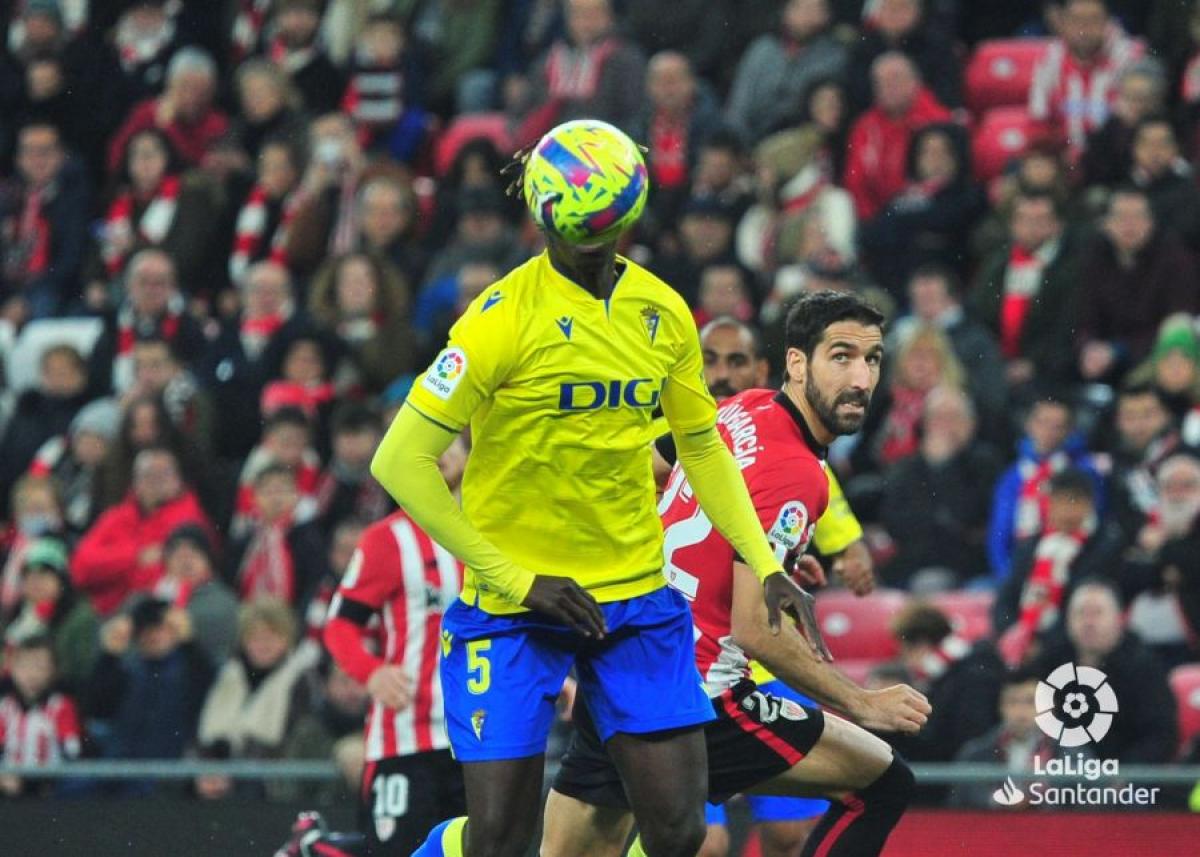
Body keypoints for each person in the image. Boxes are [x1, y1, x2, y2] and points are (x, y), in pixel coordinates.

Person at [379, 120, 814, 857]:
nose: (594, 249)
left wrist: (764, 561)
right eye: (579, 235)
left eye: (608, 232)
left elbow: (701, 443)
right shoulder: (497, 321)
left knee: (680, 832)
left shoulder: (663, 312)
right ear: (544, 221)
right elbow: (399, 461)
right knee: (500, 843)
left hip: (633, 596)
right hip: (513, 605)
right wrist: (516, 578)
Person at [542, 291, 927, 857]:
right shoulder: (798, 472)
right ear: (797, 363)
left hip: (624, 668)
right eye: (841, 357)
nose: (861, 379)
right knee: (884, 782)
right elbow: (755, 629)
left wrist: (768, 559)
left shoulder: (740, 408)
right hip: (701, 699)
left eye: (872, 360)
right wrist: (862, 702)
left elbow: (645, 472)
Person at [657, 315, 875, 857]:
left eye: (735, 361)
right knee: (699, 840)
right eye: (710, 360)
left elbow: (793, 505)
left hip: (737, 658)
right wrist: (861, 702)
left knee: (784, 832)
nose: (721, 373)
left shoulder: (759, 427)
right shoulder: (718, 427)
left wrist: (831, 548)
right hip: (705, 659)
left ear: (762, 368)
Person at [323, 447, 468, 855]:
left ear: (472, 452)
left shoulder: (496, 535)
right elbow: (340, 625)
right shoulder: (388, 539)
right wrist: (371, 672)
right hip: (406, 738)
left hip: (480, 737)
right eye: (428, 438)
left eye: (450, 438)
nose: (438, 449)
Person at [1033, 580, 1178, 764]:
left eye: (1097, 613)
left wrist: (1122, 778)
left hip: (1126, 778)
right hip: (1061, 775)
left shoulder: (1143, 666)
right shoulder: (1050, 661)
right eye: (1081, 614)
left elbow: (1160, 736)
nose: (1088, 622)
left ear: (1119, 618)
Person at [994, 468, 1125, 667]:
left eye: (1074, 501)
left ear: (1090, 504)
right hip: (1021, 639)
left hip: (1067, 644)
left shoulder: (1105, 546)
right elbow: (1006, 598)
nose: (1066, 510)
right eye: (1059, 501)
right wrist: (1011, 633)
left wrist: (1042, 644)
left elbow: (1079, 605)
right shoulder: (1029, 546)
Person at [194, 597, 319, 800]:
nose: (262, 645)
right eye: (255, 638)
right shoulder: (229, 675)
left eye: (271, 637)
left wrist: (237, 771)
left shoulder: (301, 679)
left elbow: (294, 739)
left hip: (271, 786)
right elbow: (206, 735)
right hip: (220, 780)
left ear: (287, 639)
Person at [879, 386, 1002, 590]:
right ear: (925, 424)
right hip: (912, 564)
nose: (946, 426)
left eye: (954, 417)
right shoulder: (907, 467)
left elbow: (967, 517)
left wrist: (944, 467)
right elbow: (896, 522)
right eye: (938, 418)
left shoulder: (987, 463)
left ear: (971, 424)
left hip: (968, 566)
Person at [1076, 187, 1200, 382]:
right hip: (1098, 360)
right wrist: (1088, 345)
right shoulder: (1094, 258)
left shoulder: (1177, 261)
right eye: (1121, 217)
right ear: (1106, 224)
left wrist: (1119, 350)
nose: (1129, 225)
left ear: (1151, 223)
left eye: (1137, 217)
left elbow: (1177, 324)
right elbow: (1084, 316)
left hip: (1152, 361)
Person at [71, 446, 212, 616]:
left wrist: (110, 569)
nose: (157, 482)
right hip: (104, 614)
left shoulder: (189, 522)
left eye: (165, 474)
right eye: (150, 475)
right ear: (136, 482)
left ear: (178, 480)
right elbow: (81, 567)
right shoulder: (116, 517)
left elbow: (165, 577)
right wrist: (134, 557)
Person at [970, 192, 1082, 390]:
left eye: (1040, 219)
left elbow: (1067, 326)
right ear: (1012, 224)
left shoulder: (1071, 268)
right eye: (1023, 219)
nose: (1031, 227)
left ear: (1057, 225)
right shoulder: (996, 264)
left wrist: (1034, 363)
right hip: (996, 365)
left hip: (1049, 371)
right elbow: (979, 314)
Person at [988, 396, 1103, 583]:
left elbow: (1094, 522)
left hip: (1073, 568)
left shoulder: (1083, 471)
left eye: (1057, 426)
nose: (1049, 432)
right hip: (1020, 568)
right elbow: (1000, 534)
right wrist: (1009, 578)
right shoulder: (1012, 477)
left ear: (1068, 431)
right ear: (1029, 425)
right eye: (1043, 422)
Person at [1029, 0, 1144, 159]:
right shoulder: (1049, 59)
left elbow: (1138, 124)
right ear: (1062, 23)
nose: (1084, 29)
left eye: (1093, 20)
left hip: (1117, 158)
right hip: (1063, 163)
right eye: (1076, 20)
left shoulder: (1130, 58)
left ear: (1108, 23)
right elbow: (1039, 122)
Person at [843, 52, 950, 221]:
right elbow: (856, 180)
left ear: (915, 82)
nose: (889, 87)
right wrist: (871, 221)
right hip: (878, 220)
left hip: (928, 214)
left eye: (896, 79)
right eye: (882, 82)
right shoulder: (865, 126)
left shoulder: (938, 122)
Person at [0, 120, 89, 319]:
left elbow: (70, 261)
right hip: (8, 289)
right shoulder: (7, 200)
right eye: (29, 151)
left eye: (45, 151)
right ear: (18, 158)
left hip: (50, 290)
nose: (37, 159)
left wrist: (24, 300)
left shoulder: (75, 200)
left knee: (43, 303)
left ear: (60, 155)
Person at [725, 0, 847, 144]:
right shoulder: (762, 49)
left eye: (815, 8)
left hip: (800, 144)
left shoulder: (833, 58)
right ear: (785, 11)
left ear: (826, 15)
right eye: (800, 7)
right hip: (748, 142)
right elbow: (738, 108)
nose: (807, 16)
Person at [106, 47, 230, 174]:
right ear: (170, 86)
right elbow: (116, 158)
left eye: (201, 90)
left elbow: (197, 169)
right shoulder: (147, 113)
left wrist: (168, 127)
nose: (192, 96)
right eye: (185, 87)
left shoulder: (217, 123)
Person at [949, 670, 1060, 809]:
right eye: (1012, 702)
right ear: (1001, 707)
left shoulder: (1069, 752)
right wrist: (995, 803)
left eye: (1030, 702)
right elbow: (958, 805)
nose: (1021, 711)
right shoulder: (975, 754)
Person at [2, 538, 99, 695]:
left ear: (61, 580)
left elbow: (80, 670)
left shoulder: (79, 617)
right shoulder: (14, 615)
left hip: (59, 697)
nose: (36, 582)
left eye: (44, 575)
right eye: (29, 576)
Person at [0, 635, 82, 797]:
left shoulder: (61, 706)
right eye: (25, 667)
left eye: (40, 667)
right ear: (13, 669)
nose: (32, 675)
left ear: (53, 671)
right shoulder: (4, 708)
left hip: (50, 786)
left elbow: (72, 750)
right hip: (9, 786)